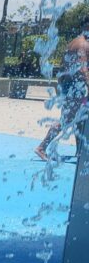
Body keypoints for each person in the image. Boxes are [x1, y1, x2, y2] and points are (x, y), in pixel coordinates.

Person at [35, 18, 89, 162]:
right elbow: (82, 69)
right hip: (76, 87)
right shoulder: (82, 44)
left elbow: (63, 66)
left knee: (80, 120)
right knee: (67, 120)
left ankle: (80, 152)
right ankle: (41, 147)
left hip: (71, 86)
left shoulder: (74, 42)